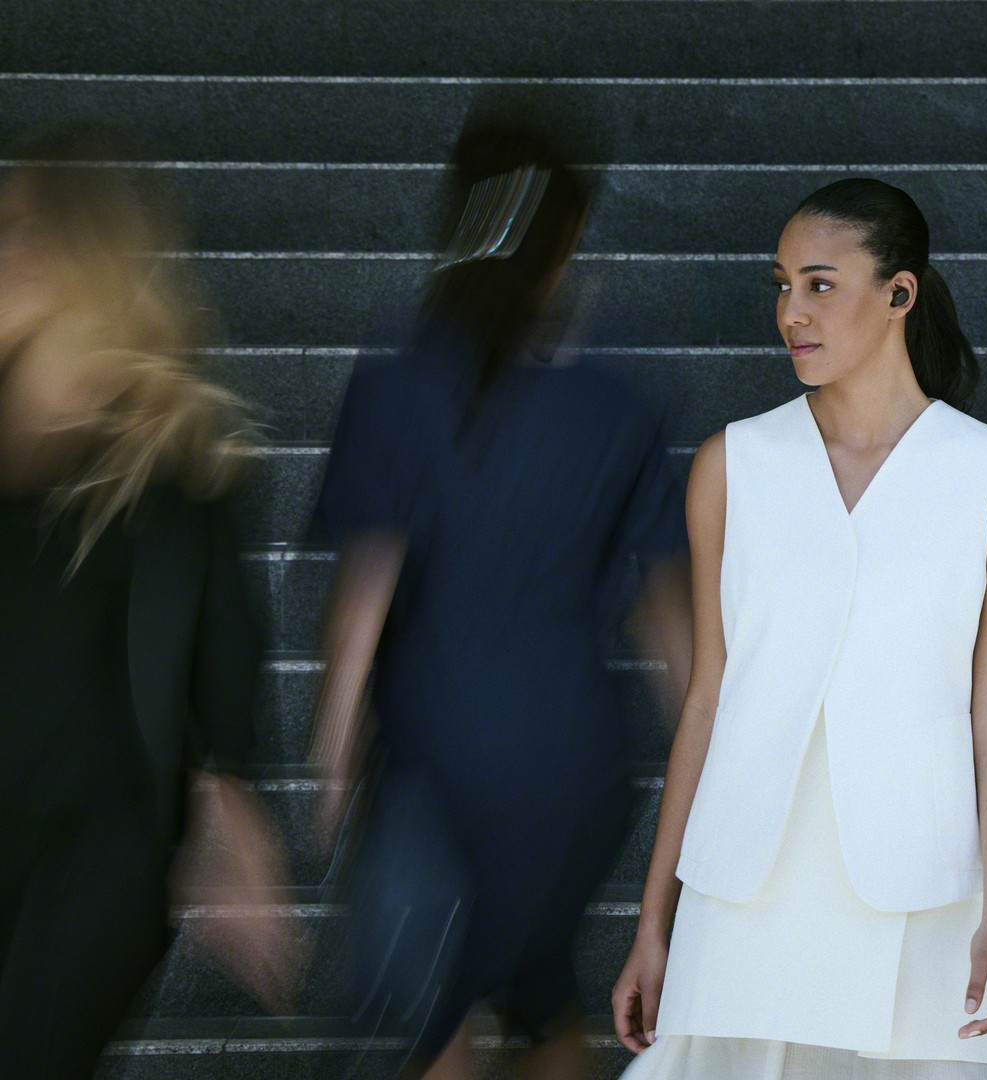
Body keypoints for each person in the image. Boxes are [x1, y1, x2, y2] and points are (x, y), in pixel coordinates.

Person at [610, 178, 987, 1079]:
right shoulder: (733, 462)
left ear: (898, 293)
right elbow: (707, 700)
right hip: (743, 889)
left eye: (819, 284)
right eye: (781, 285)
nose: (791, 313)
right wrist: (653, 923)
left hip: (919, 888)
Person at [309, 119, 693, 1080]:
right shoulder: (618, 400)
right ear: (565, 242)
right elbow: (662, 613)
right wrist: (715, 757)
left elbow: (365, 591)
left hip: (439, 753)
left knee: (440, 1014)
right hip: (574, 760)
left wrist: (332, 751)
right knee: (537, 990)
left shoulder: (396, 387)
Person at [0, 131, 290, 1078]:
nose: (6, 251)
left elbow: (226, 642)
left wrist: (230, 803)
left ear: (88, 254)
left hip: (103, 846)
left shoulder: (172, 443)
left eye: (27, 231)